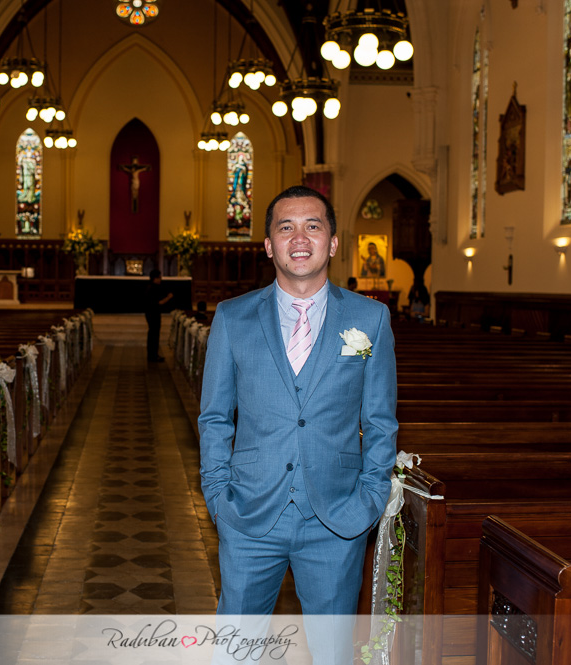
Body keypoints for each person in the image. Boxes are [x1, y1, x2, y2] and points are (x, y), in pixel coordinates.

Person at [198, 185, 397, 662]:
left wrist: (369, 498)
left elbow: (381, 421)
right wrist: (218, 494)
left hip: (336, 518)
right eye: (286, 227)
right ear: (269, 245)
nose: (299, 237)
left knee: (332, 654)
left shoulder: (370, 320)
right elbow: (214, 416)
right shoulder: (233, 318)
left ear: (332, 242)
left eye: (313, 226)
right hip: (248, 514)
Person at [145, 268, 172, 362]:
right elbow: (158, 303)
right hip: (153, 313)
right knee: (154, 335)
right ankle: (153, 356)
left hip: (151, 313)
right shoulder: (153, 288)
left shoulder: (151, 287)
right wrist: (168, 297)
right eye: (159, 278)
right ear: (155, 278)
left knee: (153, 334)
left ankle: (152, 355)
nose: (160, 280)